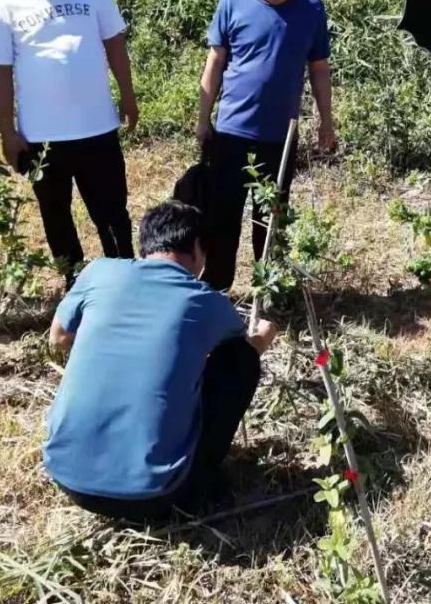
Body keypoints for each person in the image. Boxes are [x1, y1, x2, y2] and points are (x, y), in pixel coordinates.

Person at [42, 200, 278, 522]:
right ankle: (204, 482)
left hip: (66, 476)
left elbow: (59, 337)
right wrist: (265, 334)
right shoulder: (207, 301)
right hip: (154, 496)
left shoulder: (98, 271)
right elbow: (243, 352)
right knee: (240, 359)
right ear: (197, 248)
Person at [0, 0, 138, 283]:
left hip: (98, 126)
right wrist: (8, 132)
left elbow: (113, 41)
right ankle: (75, 282)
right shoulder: (0, 1)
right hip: (42, 136)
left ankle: (126, 280)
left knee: (112, 211)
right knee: (55, 212)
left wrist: (128, 96)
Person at [196, 0, 335, 291]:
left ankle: (269, 291)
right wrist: (202, 119)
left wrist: (326, 121)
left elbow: (318, 68)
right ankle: (217, 290)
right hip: (230, 134)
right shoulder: (232, 2)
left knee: (271, 220)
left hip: (280, 138)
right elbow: (215, 63)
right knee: (223, 219)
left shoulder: (311, 8)